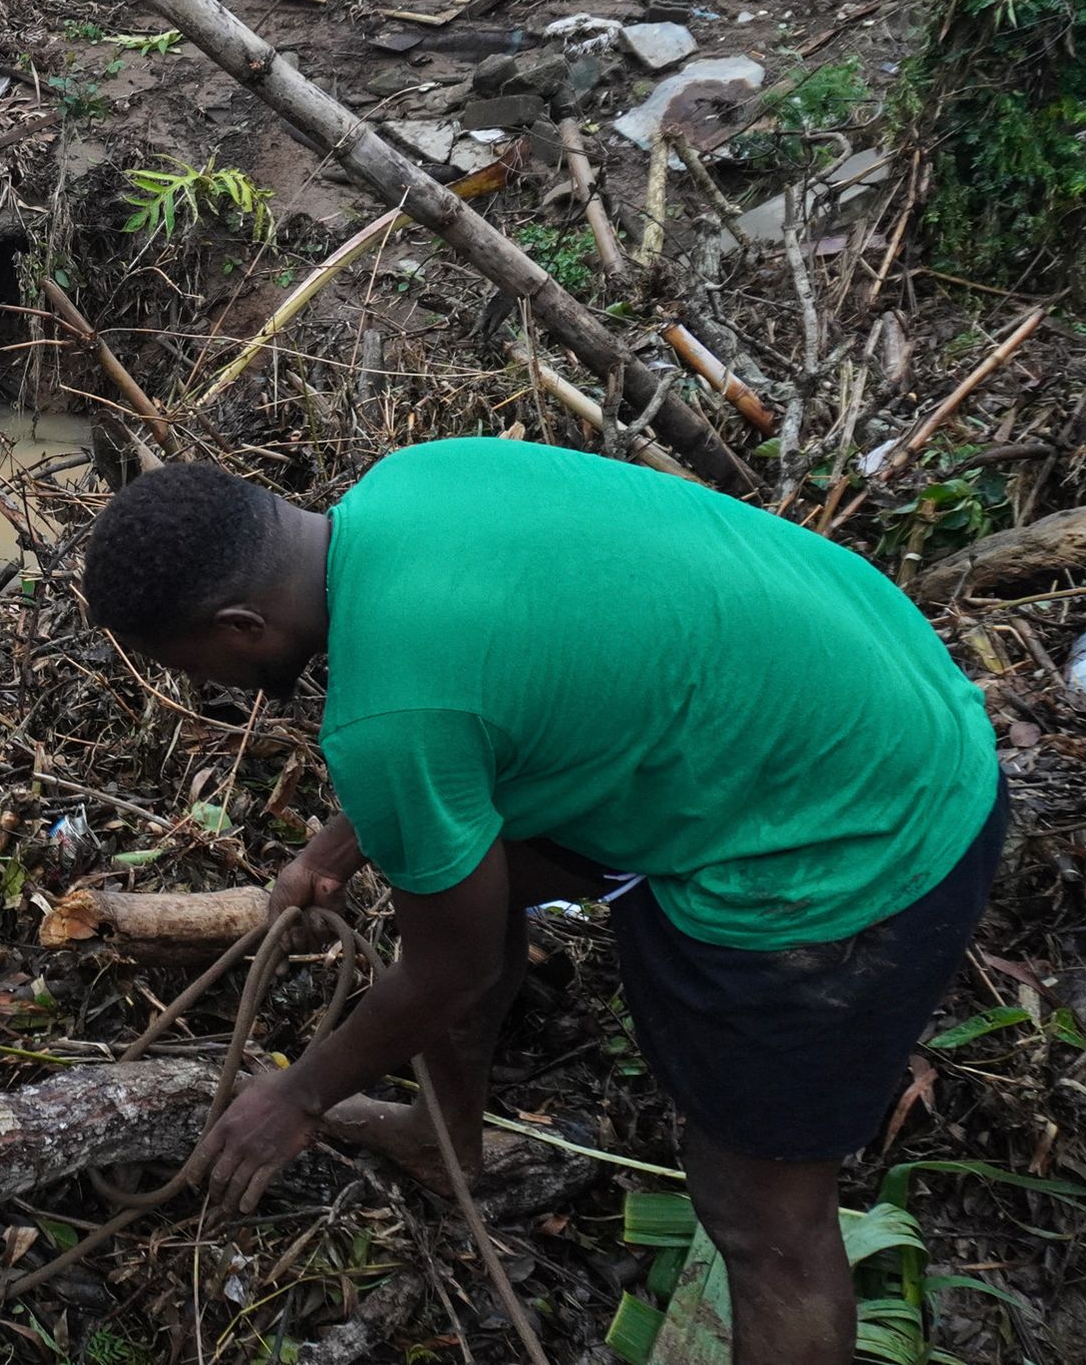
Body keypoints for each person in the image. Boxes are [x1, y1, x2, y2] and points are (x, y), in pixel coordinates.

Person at [81, 438, 1003, 1365]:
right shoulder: (415, 480)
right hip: (878, 687)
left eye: (194, 667)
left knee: (762, 1224)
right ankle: (441, 1139)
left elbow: (454, 963)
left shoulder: (393, 719)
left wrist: (301, 1095)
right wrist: (351, 835)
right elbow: (510, 671)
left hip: (854, 838)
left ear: (242, 625)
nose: (207, 688)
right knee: (470, 883)